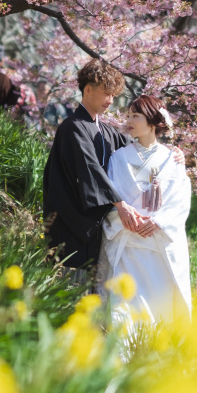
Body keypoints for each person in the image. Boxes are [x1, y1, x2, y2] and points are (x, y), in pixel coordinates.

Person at [42, 59, 152, 283]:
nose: (110, 100)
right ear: (88, 89)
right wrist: (120, 205)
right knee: (66, 288)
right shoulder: (72, 127)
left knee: (89, 291)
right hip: (70, 221)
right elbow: (89, 168)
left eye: (113, 95)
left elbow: (136, 150)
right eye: (106, 93)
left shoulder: (106, 132)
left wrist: (169, 152)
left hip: (93, 226)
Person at [97, 94, 192, 328]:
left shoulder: (172, 158)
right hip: (128, 244)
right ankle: (121, 359)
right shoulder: (119, 157)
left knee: (158, 311)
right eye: (128, 114)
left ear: (152, 121)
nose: (128, 119)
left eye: (135, 115)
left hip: (157, 246)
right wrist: (127, 218)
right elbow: (112, 193)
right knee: (124, 311)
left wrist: (159, 221)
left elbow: (180, 199)